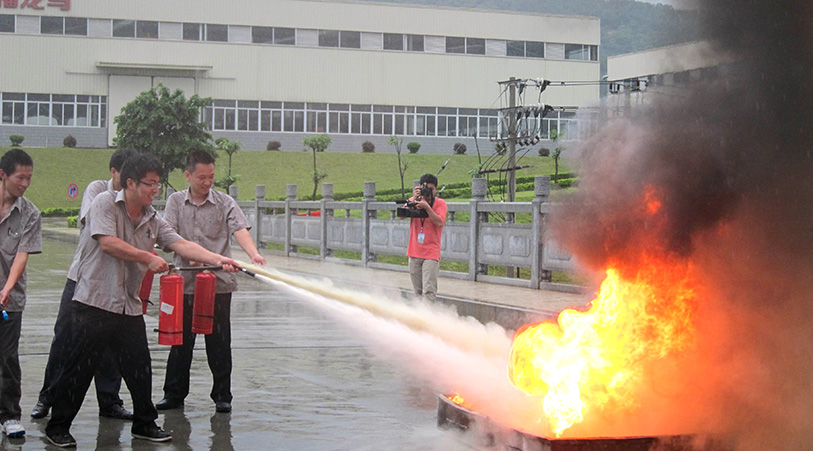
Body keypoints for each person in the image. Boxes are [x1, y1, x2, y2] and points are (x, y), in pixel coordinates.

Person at [44, 153, 240, 447]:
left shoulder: (152, 217)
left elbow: (181, 243)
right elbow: (108, 242)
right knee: (79, 368)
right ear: (130, 183)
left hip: (128, 304)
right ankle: (58, 426)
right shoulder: (105, 204)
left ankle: (144, 424)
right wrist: (147, 257)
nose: (155, 190)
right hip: (94, 301)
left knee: (140, 368)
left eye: (158, 184)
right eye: (150, 184)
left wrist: (219, 259)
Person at [156, 151, 266, 414]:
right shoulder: (174, 202)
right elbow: (167, 236)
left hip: (218, 283)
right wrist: (190, 258)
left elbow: (239, 229)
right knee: (181, 342)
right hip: (185, 282)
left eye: (211, 177)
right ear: (188, 175)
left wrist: (253, 254)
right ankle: (173, 395)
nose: (207, 182)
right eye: (202, 177)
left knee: (219, 341)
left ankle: (222, 395)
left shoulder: (224, 202)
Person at [32, 148, 136, 421]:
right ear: (114, 172)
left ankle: (110, 402)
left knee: (109, 345)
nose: (128, 182)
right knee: (64, 340)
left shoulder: (134, 201)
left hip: (115, 283)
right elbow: (97, 227)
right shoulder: (98, 191)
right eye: (125, 176)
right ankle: (47, 398)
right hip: (82, 279)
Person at [0, 149, 42, 439]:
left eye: (29, 178)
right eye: (20, 177)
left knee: (7, 357)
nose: (25, 183)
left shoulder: (30, 213)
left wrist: (6, 288)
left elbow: (21, 256)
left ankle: (10, 415)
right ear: (3, 175)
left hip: (9, 300)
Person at [406, 174, 447, 302]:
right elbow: (402, 214)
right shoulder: (414, 200)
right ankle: (419, 317)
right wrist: (414, 200)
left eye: (432, 189)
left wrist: (427, 208)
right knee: (417, 292)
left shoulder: (440, 203)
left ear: (436, 189)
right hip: (414, 252)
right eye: (426, 189)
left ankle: (428, 318)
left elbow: (439, 222)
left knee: (429, 290)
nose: (429, 192)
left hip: (431, 253)